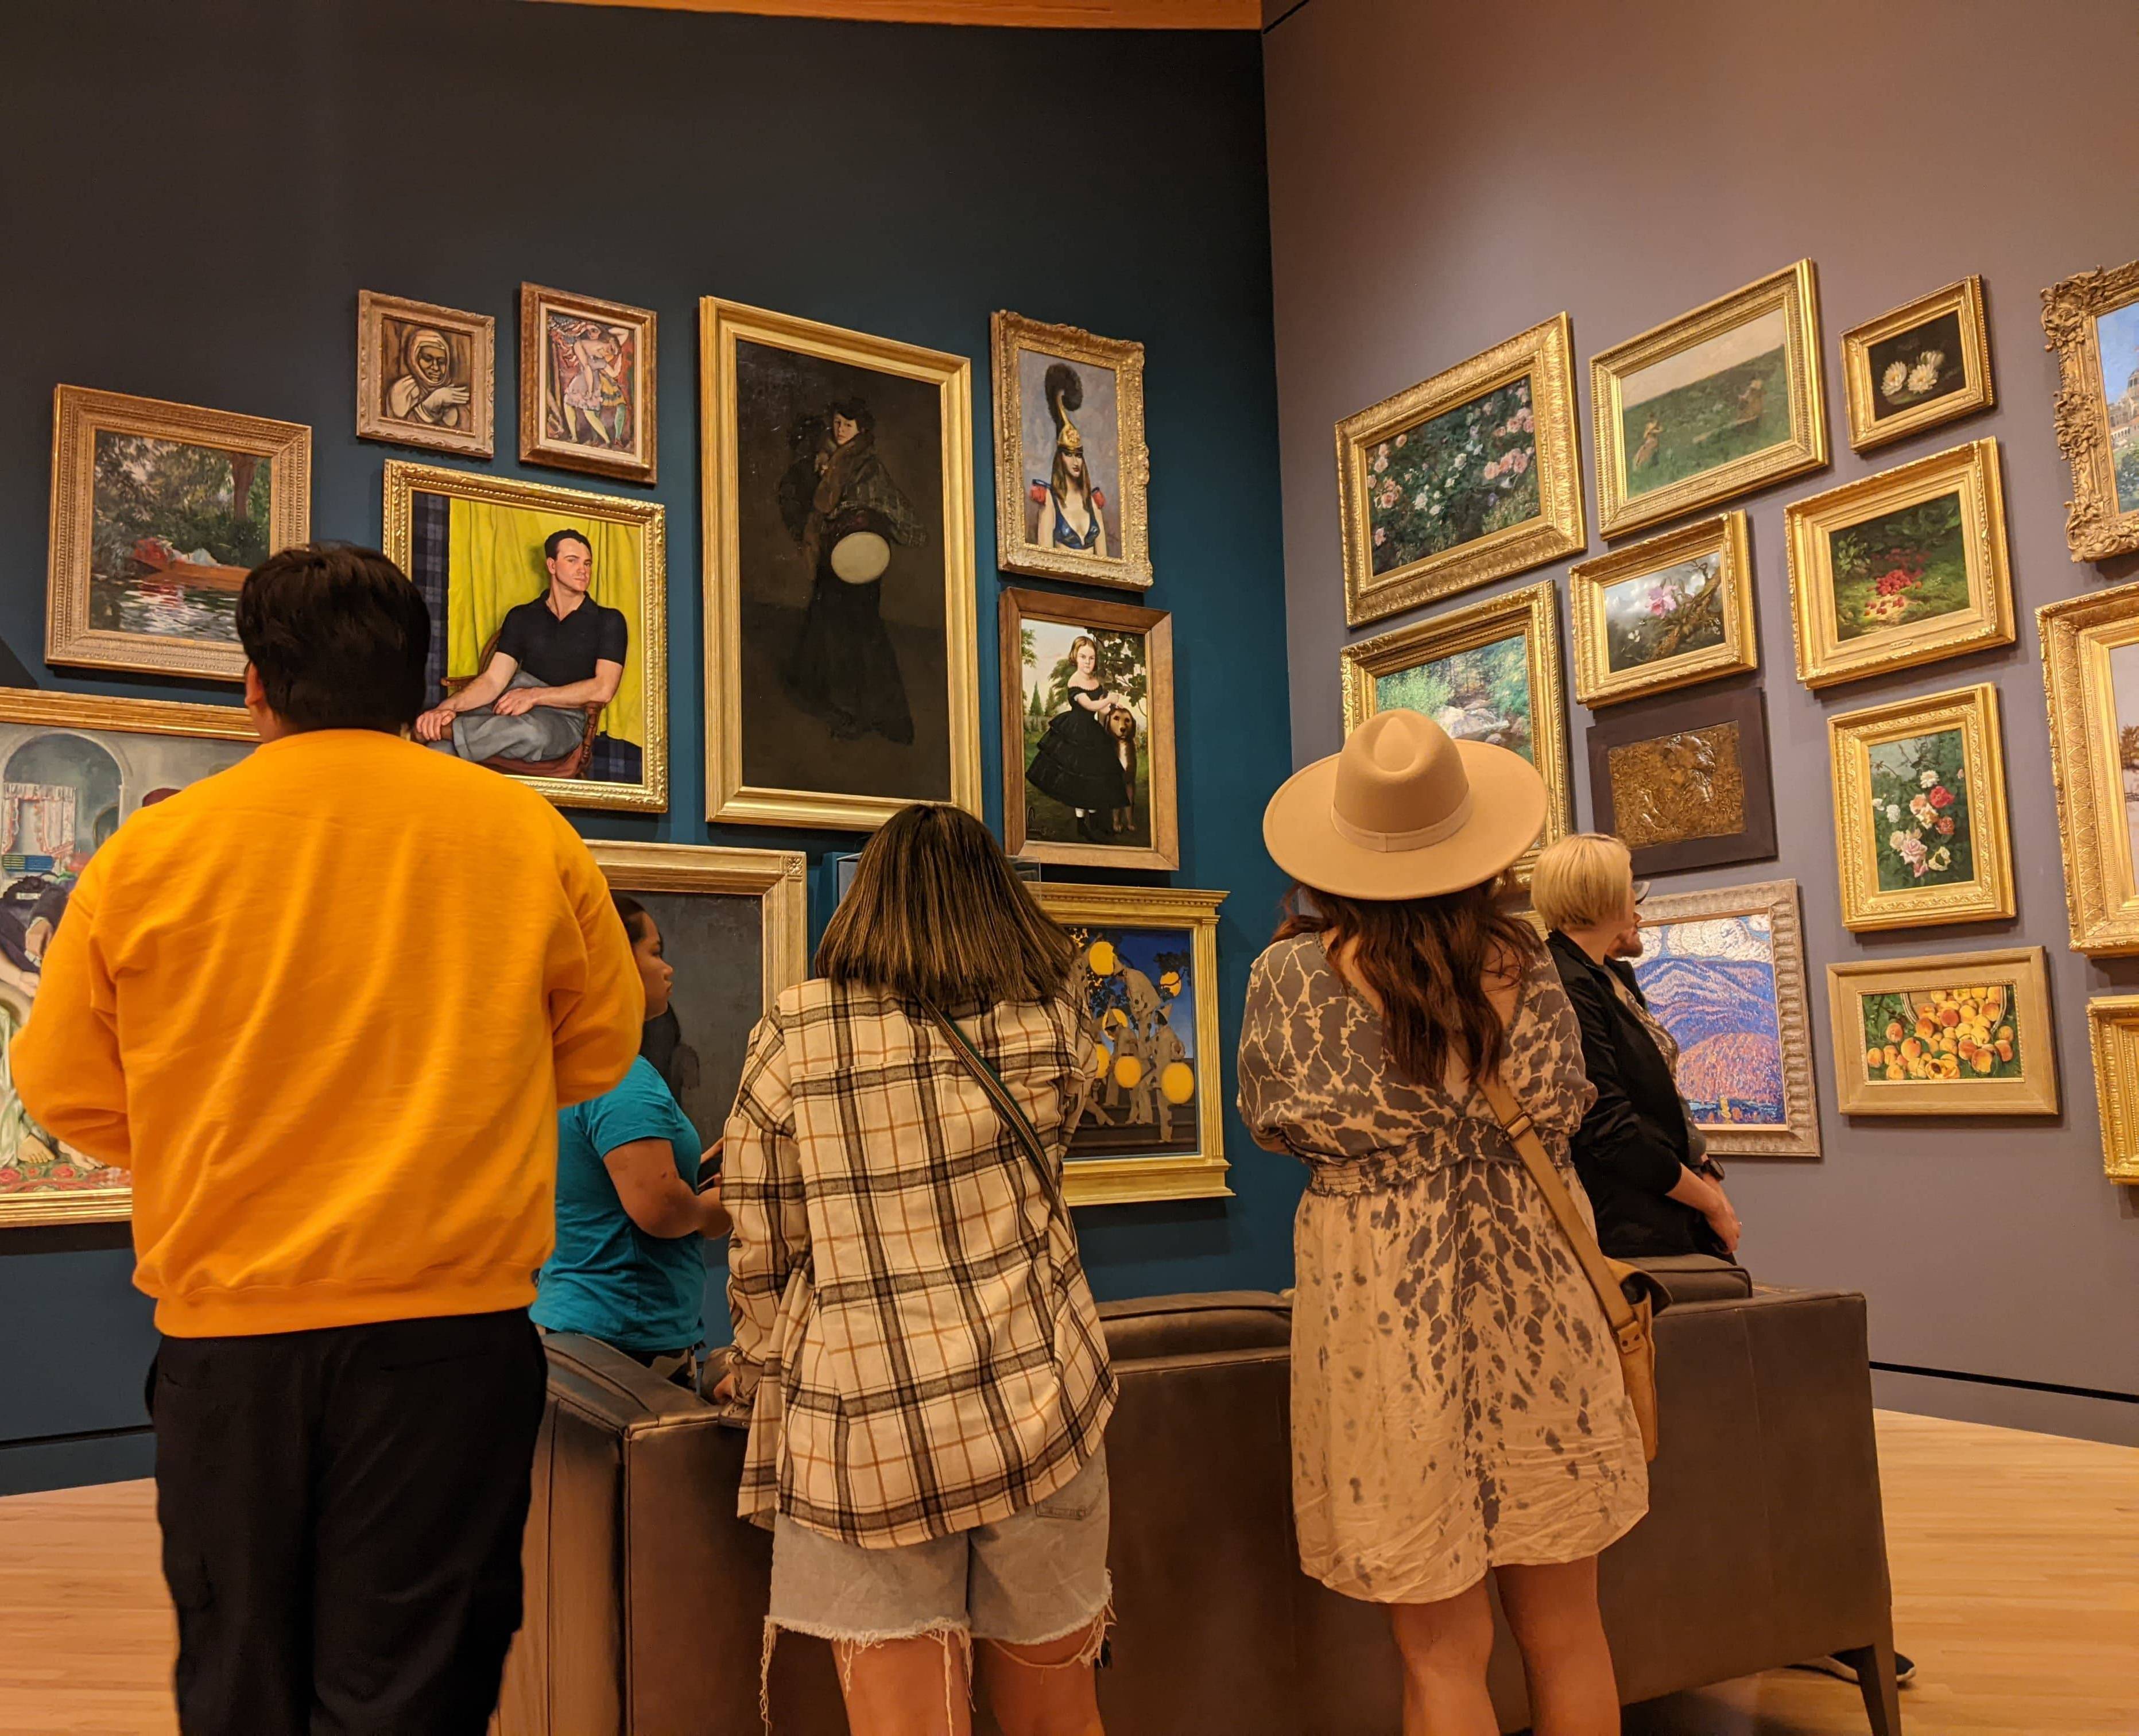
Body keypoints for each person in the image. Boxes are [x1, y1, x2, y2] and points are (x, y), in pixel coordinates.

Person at [13, 542, 644, 1735]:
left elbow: (60, 1089)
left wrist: (224, 1133)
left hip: (234, 1339)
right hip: (452, 1340)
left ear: (255, 685)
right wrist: (462, 1103)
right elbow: (600, 1050)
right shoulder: (523, 838)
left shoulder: (150, 852)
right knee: (417, 1687)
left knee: (239, 1676)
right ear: (419, 688)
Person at [1239, 709, 1648, 1736]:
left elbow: (1270, 1114)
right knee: (1568, 1628)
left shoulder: (1290, 975)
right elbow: (1567, 1097)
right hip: (1539, 1299)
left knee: (1439, 1654)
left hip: (1385, 1313)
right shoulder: (1529, 962)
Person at [720, 803, 1115, 1736]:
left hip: (870, 1429)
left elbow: (763, 1235)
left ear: (869, 896)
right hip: (1039, 1401)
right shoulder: (1055, 1007)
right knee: (1059, 1713)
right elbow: (1053, 1151)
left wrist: (762, 1347)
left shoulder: (797, 1028)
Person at [533, 894, 729, 1386]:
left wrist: (695, 1170)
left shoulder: (564, 1057)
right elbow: (660, 1210)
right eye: (655, 952)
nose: (668, 970)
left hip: (581, 1330)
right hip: (621, 1343)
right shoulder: (620, 1074)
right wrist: (725, 1206)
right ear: (617, 961)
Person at [1532, 833, 1740, 1261]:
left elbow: (1661, 1102)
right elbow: (1610, 1129)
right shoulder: (1565, 982)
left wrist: (1705, 1176)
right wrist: (1710, 1202)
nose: (1636, 896)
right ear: (1605, 895)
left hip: (1661, 1204)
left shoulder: (1609, 975)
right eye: (1628, 883)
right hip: (1623, 1225)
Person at [780, 397, 927, 746]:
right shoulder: (826, 459)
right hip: (834, 557)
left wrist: (856, 518)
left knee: (860, 634)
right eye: (837, 422)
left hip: (861, 562)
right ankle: (815, 690)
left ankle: (869, 714)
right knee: (825, 623)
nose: (840, 428)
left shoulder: (868, 466)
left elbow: (889, 509)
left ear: (861, 430)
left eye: (848, 424)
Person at [415, 526, 627, 768]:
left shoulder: (609, 620)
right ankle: (442, 733)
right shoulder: (522, 616)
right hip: (509, 704)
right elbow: (495, 680)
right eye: (573, 561)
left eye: (588, 564)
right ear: (552, 565)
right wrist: (447, 707)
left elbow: (603, 689)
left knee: (532, 734)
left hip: (562, 717)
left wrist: (535, 696)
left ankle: (445, 731)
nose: (583, 570)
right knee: (438, 752)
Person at [1025, 634, 1131, 843]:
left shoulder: (1094, 681)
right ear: (1075, 656)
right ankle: (1082, 824)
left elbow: (1101, 707)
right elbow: (1089, 705)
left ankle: (1095, 822)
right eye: (1083, 657)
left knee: (1094, 778)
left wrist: (1112, 706)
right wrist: (1107, 699)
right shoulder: (1075, 680)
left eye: (1091, 658)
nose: (1087, 662)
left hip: (1092, 732)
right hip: (1075, 730)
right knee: (1079, 780)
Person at [1032, 362, 1109, 556]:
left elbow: (1107, 565)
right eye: (1069, 454)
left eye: (1079, 455)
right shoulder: (1050, 500)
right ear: (1060, 458)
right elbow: (1045, 562)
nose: (1075, 462)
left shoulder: (1092, 503)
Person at [386, 326, 470, 429]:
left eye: (441, 362)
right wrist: (428, 407)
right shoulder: (402, 393)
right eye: (428, 359)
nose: (435, 367)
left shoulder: (454, 397)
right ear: (415, 359)